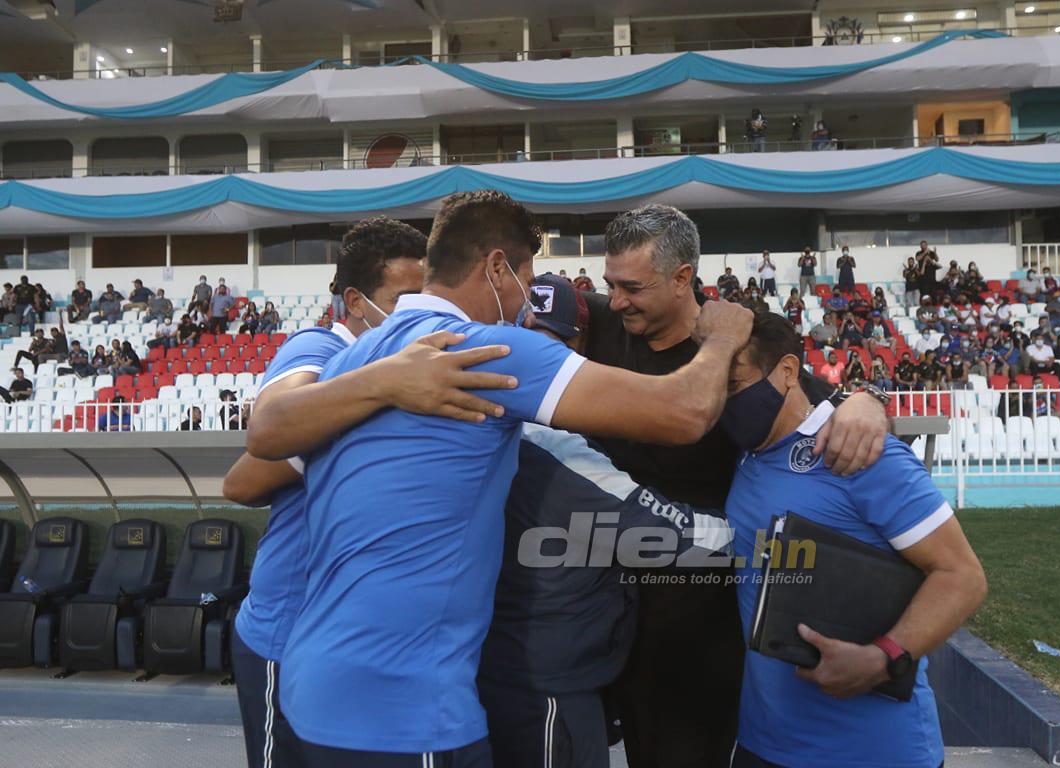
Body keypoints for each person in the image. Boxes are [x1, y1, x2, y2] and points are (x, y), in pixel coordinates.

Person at [274, 192, 759, 766]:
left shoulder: (357, 357)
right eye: (526, 279)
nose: (527, 306)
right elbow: (683, 413)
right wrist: (725, 337)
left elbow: (265, 441)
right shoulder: (488, 351)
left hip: (311, 681)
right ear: (497, 268)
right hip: (406, 702)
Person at [582, 204, 888, 768]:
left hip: (698, 617)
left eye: (632, 286)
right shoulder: (600, 325)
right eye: (610, 285)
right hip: (596, 603)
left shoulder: (736, 347)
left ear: (682, 279)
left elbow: (814, 397)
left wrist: (868, 401)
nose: (617, 299)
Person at [223, 214, 520, 768]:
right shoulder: (320, 348)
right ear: (357, 301)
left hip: (354, 639)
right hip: (286, 630)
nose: (417, 309)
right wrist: (376, 397)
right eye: (404, 295)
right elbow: (246, 475)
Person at [479, 275, 735, 768]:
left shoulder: (481, 416)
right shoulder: (556, 448)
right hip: (549, 689)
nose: (542, 353)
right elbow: (679, 537)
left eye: (552, 341)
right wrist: (762, 524)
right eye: (532, 337)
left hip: (497, 670)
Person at [722, 307, 986, 768]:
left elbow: (962, 576)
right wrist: (867, 395)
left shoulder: (859, 452)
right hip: (763, 745)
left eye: (733, 385)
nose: (720, 400)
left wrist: (884, 658)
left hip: (873, 751)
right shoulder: (743, 453)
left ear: (786, 372)